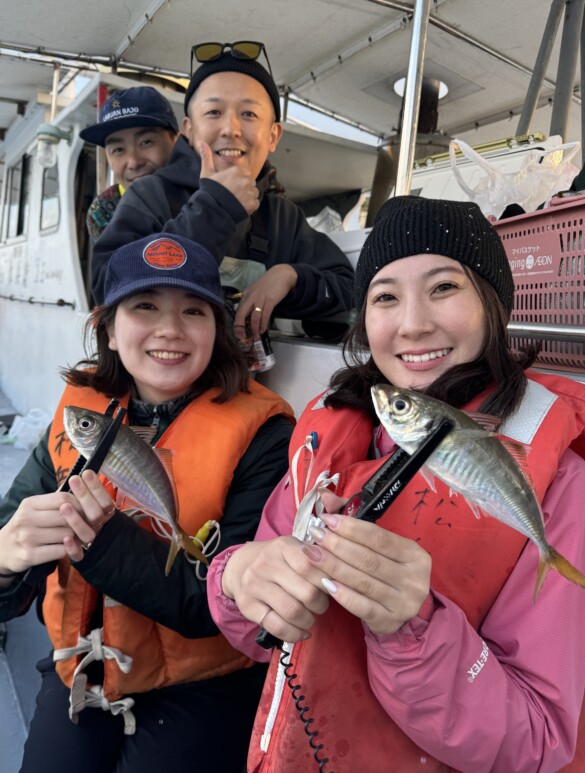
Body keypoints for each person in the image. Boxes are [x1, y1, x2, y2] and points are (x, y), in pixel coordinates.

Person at [206, 196, 585, 772]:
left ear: (494, 305)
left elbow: (537, 741)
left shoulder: (568, 488)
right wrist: (237, 578)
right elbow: (255, 631)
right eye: (385, 296)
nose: (413, 323)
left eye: (444, 287)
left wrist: (411, 630)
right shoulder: (328, 435)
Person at [0, 232, 294, 772]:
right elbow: (10, 539)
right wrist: (4, 562)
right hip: (80, 666)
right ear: (107, 327)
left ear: (217, 329)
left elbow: (217, 604)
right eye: (144, 306)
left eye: (194, 311)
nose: (170, 329)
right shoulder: (80, 413)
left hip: (203, 683)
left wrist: (97, 538)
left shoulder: (265, 434)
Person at [91, 41, 354, 342]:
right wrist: (216, 206)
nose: (231, 128)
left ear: (273, 136)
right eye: (214, 112)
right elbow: (106, 287)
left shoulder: (282, 216)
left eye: (249, 114)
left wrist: (290, 278)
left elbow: (347, 288)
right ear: (188, 130)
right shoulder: (149, 196)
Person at [80, 86, 179, 245]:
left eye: (146, 142)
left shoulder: (207, 190)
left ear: (176, 141)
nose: (134, 162)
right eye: (118, 150)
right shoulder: (104, 210)